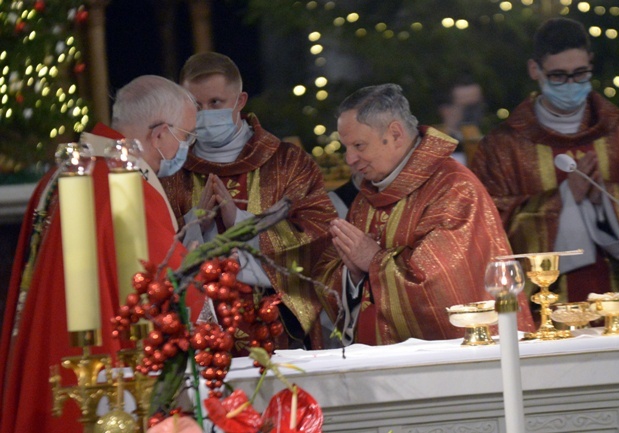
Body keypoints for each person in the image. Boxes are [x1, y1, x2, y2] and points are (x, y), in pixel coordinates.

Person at [0, 75, 196, 433]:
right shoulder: (126, 186)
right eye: (186, 137)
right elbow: (164, 289)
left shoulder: (59, 176)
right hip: (106, 382)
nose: (187, 148)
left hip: (51, 364)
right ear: (160, 134)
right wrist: (202, 272)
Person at [315, 83, 534, 346]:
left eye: (359, 145)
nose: (350, 159)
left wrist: (374, 261)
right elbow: (336, 276)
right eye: (346, 147)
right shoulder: (366, 199)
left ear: (395, 133)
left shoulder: (454, 189)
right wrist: (352, 276)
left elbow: (442, 286)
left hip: (457, 362)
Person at [161, 52, 337, 350]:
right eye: (195, 105)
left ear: (240, 101)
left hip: (276, 329)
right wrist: (194, 224)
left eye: (215, 103)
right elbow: (153, 244)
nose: (204, 114)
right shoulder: (172, 169)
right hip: (197, 335)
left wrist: (241, 224)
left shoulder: (287, 162)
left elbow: (320, 238)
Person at [470, 18, 619, 309]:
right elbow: (485, 229)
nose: (571, 85)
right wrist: (564, 198)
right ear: (535, 70)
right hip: (544, 315)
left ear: (590, 63)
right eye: (558, 76)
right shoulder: (503, 147)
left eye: (580, 74)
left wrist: (607, 199)